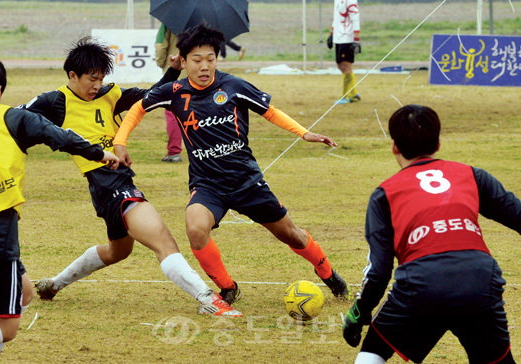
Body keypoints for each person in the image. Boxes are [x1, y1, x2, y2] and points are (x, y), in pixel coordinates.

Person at [113, 23, 353, 305]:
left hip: (247, 183)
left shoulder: (233, 86)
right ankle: (228, 287)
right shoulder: (174, 91)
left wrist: (304, 133)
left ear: (218, 58)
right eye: (197, 60)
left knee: (293, 236)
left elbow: (270, 111)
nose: (204, 66)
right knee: (195, 228)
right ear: (183, 60)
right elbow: (139, 107)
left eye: (210, 59)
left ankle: (328, 273)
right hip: (208, 186)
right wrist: (120, 142)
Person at [23, 37, 241, 317]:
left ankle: (54, 284)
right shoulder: (54, 101)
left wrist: (173, 70)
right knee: (164, 242)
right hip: (107, 184)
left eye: (100, 79)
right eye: (91, 79)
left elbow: (152, 96)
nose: (96, 86)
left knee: (119, 251)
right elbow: (12, 118)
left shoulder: (110, 94)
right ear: (72, 75)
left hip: (117, 183)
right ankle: (208, 299)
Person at [0, 54, 119, 362]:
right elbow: (62, 137)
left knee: (25, 293)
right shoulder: (11, 117)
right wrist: (100, 153)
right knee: (6, 327)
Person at [341, 104, 521, 364]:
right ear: (438, 143)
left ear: (394, 146)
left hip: (421, 284)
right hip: (479, 280)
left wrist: (359, 313)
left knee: (373, 352)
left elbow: (379, 270)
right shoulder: (472, 175)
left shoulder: (384, 195)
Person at [155, 24, 185, 163]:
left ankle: (174, 152)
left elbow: (161, 45)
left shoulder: (170, 20)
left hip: (176, 73)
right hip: (202, 74)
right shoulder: (208, 17)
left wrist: (163, 63)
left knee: (172, 112)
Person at [327, 0, 361, 104]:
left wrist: (356, 40)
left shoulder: (350, 1)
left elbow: (355, 18)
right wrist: (332, 34)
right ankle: (354, 94)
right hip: (338, 38)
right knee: (340, 65)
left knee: (346, 65)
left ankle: (346, 96)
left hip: (347, 38)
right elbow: (337, 18)